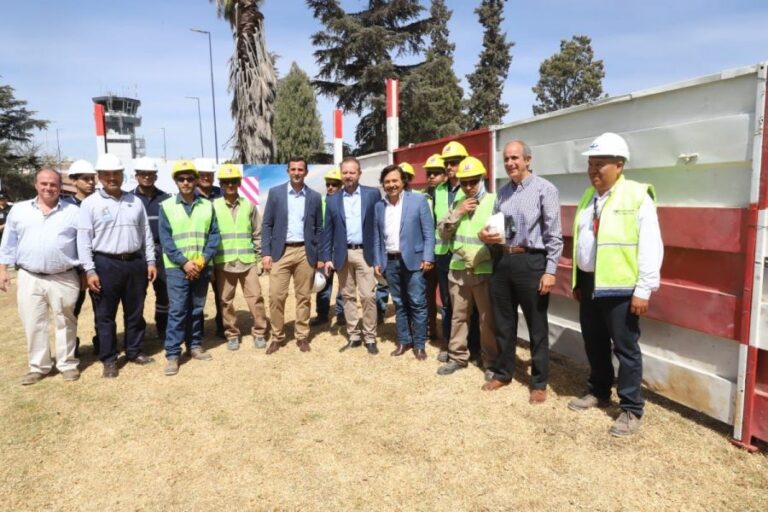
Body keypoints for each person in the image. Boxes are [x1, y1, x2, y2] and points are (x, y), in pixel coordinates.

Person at [567, 132, 663, 437]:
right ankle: (598, 390)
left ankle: (632, 408)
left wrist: (643, 289)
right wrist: (580, 279)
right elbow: (584, 242)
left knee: (626, 348)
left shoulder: (637, 196)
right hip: (591, 281)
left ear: (619, 165)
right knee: (594, 341)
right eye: (590, 164)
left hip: (621, 286)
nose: (593, 170)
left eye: (600, 164)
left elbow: (651, 245)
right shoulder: (588, 196)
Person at [478, 140, 563, 403]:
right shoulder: (501, 194)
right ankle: (503, 372)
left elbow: (554, 235)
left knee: (537, 326)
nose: (510, 163)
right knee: (503, 322)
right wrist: (485, 235)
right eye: (506, 159)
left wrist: (550, 271)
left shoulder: (544, 190)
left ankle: (539, 382)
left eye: (515, 158)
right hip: (503, 262)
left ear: (528, 160)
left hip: (531, 263)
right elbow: (493, 228)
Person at [78, 153, 157, 378]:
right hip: (105, 263)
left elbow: (146, 234)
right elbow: (83, 239)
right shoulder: (90, 204)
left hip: (134, 263)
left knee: (135, 311)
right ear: (100, 177)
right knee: (105, 315)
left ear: (123, 176)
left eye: (116, 174)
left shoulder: (135, 202)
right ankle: (109, 359)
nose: (112, 178)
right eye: (107, 174)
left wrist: (150, 261)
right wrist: (90, 270)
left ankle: (134, 350)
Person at [0, 168, 81, 384]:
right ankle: (39, 366)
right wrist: (2, 270)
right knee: (33, 321)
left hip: (63, 276)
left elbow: (83, 245)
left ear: (60, 187)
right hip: (29, 276)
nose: (48, 188)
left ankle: (67, 364)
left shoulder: (72, 212)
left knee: (66, 321)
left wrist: (85, 273)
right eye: (44, 183)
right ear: (35, 185)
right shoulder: (18, 211)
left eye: (53, 184)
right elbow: (8, 242)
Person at [436, 157, 498, 375]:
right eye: (465, 182)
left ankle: (490, 361)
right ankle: (458, 357)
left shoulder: (493, 201)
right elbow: (442, 232)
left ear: (482, 178)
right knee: (458, 317)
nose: (469, 186)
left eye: (473, 181)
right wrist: (458, 212)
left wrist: (484, 254)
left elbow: (501, 236)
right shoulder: (457, 202)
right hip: (458, 271)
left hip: (483, 270)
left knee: (486, 319)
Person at [159, 160, 221, 376]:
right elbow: (166, 240)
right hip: (177, 268)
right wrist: (184, 263)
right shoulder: (166, 206)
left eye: (189, 178)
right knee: (177, 311)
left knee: (196, 309)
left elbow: (214, 236)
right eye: (181, 179)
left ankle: (194, 346)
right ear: (176, 182)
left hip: (201, 267)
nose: (185, 182)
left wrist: (202, 260)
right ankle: (173, 354)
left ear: (196, 180)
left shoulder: (207, 205)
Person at [261, 157, 323, 354]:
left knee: (303, 296)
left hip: (306, 252)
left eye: (300, 169)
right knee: (276, 296)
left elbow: (319, 227)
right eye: (293, 169)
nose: (297, 172)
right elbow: (266, 224)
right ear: (287, 171)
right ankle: (277, 336)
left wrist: (319, 253)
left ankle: (302, 336)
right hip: (281, 252)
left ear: (306, 172)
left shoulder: (314, 196)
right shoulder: (276, 193)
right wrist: (266, 252)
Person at [321, 156, 382, 354]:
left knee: (368, 296)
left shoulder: (373, 194)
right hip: (342, 254)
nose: (348, 176)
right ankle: (354, 336)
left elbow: (378, 227)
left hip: (365, 253)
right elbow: (327, 230)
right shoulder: (332, 199)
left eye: (352, 172)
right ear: (341, 174)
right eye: (345, 172)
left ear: (359, 174)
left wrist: (379, 254)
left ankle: (370, 337)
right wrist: (327, 257)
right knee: (347, 296)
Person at [373, 164, 435, 359]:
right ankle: (403, 341)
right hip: (390, 262)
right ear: (383, 184)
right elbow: (377, 237)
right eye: (387, 182)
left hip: (415, 261)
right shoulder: (379, 207)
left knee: (417, 302)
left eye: (395, 181)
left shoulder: (418, 201)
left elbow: (428, 232)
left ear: (403, 182)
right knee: (399, 303)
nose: (391, 185)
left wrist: (428, 257)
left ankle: (419, 344)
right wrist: (377, 261)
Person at [212, 163, 269, 351]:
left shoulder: (249, 205)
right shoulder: (214, 207)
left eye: (233, 181)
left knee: (256, 298)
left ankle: (260, 332)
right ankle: (232, 334)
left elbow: (258, 233)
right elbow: (211, 236)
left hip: (247, 261)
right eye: (226, 182)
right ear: (221, 184)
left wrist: (260, 259)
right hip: (224, 262)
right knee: (225, 300)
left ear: (239, 183)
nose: (230, 185)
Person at [434, 141, 481, 363]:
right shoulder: (439, 190)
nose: (450, 166)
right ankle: (449, 345)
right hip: (444, 253)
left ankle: (474, 347)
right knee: (448, 304)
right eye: (447, 163)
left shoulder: (474, 188)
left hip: (469, 255)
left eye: (454, 162)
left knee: (471, 306)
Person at [61, 159, 99, 357]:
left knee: (101, 309)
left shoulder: (100, 202)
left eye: (92, 178)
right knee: (71, 310)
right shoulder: (64, 207)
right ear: (73, 181)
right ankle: (70, 347)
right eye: (85, 179)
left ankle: (102, 342)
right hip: (73, 269)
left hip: (99, 266)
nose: (91, 182)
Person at [133, 157, 170, 343]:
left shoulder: (166, 198)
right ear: (136, 176)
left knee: (164, 295)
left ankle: (163, 330)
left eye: (150, 174)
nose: (147, 177)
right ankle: (137, 337)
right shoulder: (129, 199)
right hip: (138, 255)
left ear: (155, 176)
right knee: (137, 297)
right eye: (143, 174)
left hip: (162, 252)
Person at [194, 157, 225, 338]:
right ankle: (197, 331)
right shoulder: (191, 195)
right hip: (199, 253)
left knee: (221, 294)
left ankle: (222, 326)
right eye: (203, 175)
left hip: (220, 252)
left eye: (209, 174)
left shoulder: (220, 193)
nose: (206, 177)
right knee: (198, 296)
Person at [311, 167, 345, 327]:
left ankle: (342, 313)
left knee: (344, 285)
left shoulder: (346, 202)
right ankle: (322, 314)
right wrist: (319, 255)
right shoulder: (321, 203)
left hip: (342, 251)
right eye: (328, 184)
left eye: (335, 184)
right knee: (323, 284)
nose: (330, 187)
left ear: (341, 185)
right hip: (325, 252)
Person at [423, 154, 446, 341]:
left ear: (445, 175)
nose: (431, 177)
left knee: (448, 299)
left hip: (447, 254)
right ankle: (431, 327)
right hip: (430, 254)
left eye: (436, 173)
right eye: (429, 173)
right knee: (428, 294)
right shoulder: (423, 196)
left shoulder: (453, 195)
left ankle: (449, 333)